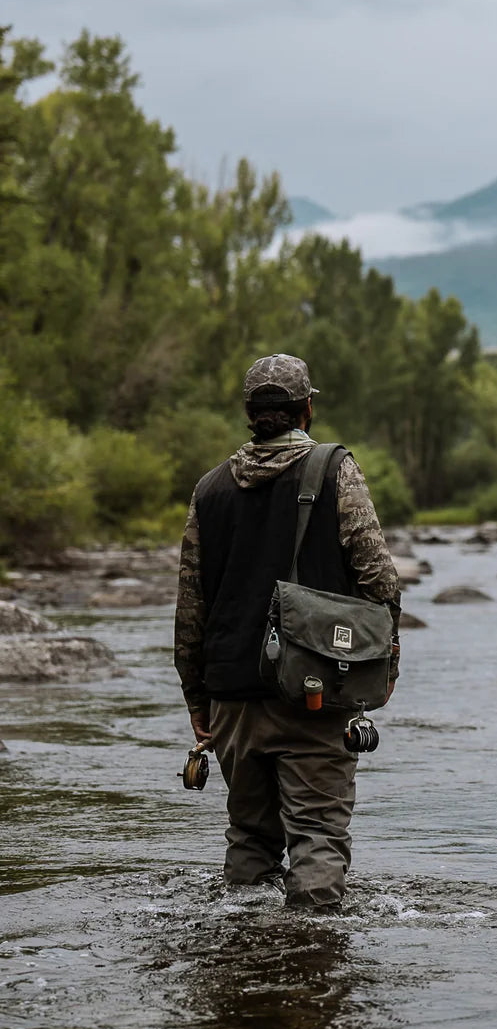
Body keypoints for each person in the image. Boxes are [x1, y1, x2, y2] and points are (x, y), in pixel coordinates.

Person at [174, 353, 401, 910]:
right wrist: (381, 667)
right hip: (313, 691)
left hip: (231, 697)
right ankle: (311, 959)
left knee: (250, 839)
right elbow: (379, 578)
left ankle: (245, 956)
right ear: (306, 408)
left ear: (251, 414)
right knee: (318, 835)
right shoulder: (334, 467)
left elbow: (190, 609)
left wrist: (197, 700)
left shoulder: (208, 489)